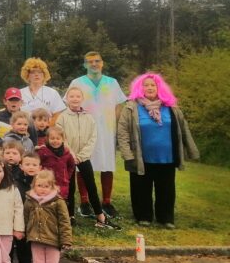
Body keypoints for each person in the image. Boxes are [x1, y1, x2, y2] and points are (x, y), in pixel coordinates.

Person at [116, 73, 199, 228]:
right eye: (146, 85)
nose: (149, 88)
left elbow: (183, 129)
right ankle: (143, 216)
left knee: (166, 189)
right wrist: (127, 154)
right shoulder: (131, 107)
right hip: (140, 157)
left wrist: (191, 151)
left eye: (153, 85)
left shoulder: (171, 107)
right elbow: (123, 132)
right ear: (140, 88)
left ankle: (165, 218)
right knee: (141, 189)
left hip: (167, 157)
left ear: (159, 88)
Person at [67, 52, 128, 219]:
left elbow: (119, 105)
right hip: (83, 129)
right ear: (84, 65)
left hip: (106, 130)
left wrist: (112, 122)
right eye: (90, 62)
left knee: (107, 164)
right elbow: (69, 103)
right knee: (82, 163)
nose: (94, 64)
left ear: (102, 63)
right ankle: (84, 202)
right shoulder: (77, 83)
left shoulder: (112, 82)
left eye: (97, 61)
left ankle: (106, 202)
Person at [55, 87, 116, 230]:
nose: (75, 99)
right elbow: (61, 137)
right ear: (67, 99)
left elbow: (93, 137)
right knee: (69, 188)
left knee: (91, 186)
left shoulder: (89, 117)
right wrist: (71, 154)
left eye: (78, 96)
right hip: (68, 157)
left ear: (82, 99)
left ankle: (100, 216)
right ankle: (70, 216)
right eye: (71, 96)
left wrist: (82, 156)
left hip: (84, 157)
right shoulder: (62, 117)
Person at [24, 169, 73, 263]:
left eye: (46, 186)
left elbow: (64, 221)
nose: (42, 189)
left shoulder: (58, 201)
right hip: (35, 239)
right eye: (39, 185)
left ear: (52, 186)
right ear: (34, 185)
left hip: (53, 239)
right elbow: (26, 218)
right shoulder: (30, 201)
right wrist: (26, 233)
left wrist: (66, 240)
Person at [37, 127, 77, 218]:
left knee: (60, 205)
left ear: (63, 140)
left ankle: (61, 221)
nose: (55, 141)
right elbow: (37, 163)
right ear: (47, 139)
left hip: (62, 185)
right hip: (47, 184)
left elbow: (71, 165)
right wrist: (41, 176)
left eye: (58, 138)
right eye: (52, 138)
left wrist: (67, 176)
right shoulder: (43, 151)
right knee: (47, 204)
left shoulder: (66, 153)